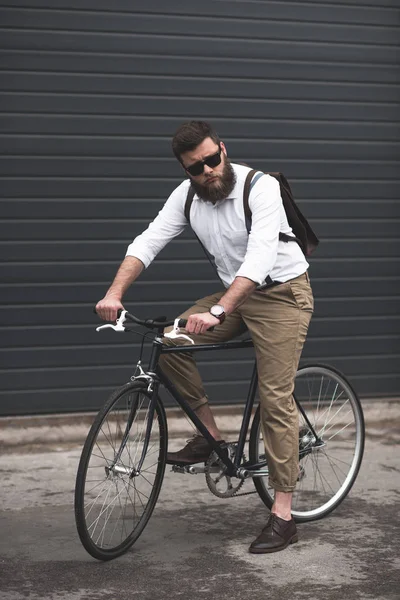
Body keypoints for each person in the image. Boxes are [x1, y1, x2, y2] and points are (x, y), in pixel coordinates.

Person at [96, 120, 314, 554]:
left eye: (213, 159)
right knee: (169, 342)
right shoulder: (187, 195)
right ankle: (213, 439)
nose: (208, 171)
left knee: (275, 398)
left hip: (282, 294)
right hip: (235, 294)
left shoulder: (261, 187)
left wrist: (217, 311)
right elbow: (149, 241)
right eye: (196, 168)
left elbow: (259, 257)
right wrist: (114, 292)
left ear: (223, 150)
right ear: (185, 170)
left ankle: (283, 516)